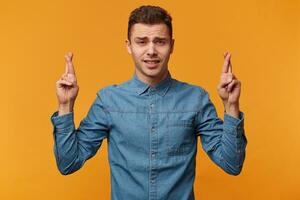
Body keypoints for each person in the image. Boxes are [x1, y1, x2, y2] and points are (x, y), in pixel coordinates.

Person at [51, 5, 247, 200]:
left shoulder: (196, 99)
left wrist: (231, 106)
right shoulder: (108, 101)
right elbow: (69, 163)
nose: (151, 50)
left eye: (160, 42)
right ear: (129, 46)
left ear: (172, 45)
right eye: (142, 42)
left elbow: (231, 164)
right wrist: (65, 106)